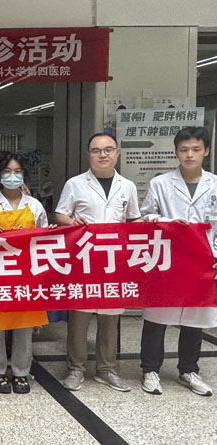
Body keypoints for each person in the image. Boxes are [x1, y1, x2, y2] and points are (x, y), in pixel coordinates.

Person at [55, 132, 141, 392]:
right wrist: (71, 221)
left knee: (110, 319)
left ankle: (106, 369)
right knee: (79, 317)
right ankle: (76, 368)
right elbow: (60, 214)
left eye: (108, 150)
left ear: (117, 153)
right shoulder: (75, 184)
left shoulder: (127, 186)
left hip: (114, 260)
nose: (102, 155)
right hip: (84, 259)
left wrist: (154, 225)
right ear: (88, 155)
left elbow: (133, 219)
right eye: (96, 150)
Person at [139, 126, 216, 396]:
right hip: (167, 257)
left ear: (206, 151)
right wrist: (167, 222)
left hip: (203, 259)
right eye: (184, 150)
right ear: (176, 152)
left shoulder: (215, 184)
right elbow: (146, 216)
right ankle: (150, 370)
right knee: (157, 316)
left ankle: (188, 370)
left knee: (195, 317)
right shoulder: (160, 184)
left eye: (195, 149)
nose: (189, 155)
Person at [0, 153, 51, 394]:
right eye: (7, 172)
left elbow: (43, 241)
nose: (12, 176)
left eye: (17, 172)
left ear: (24, 175)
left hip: (26, 274)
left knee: (24, 325)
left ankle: (21, 371)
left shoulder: (34, 206)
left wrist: (49, 233)